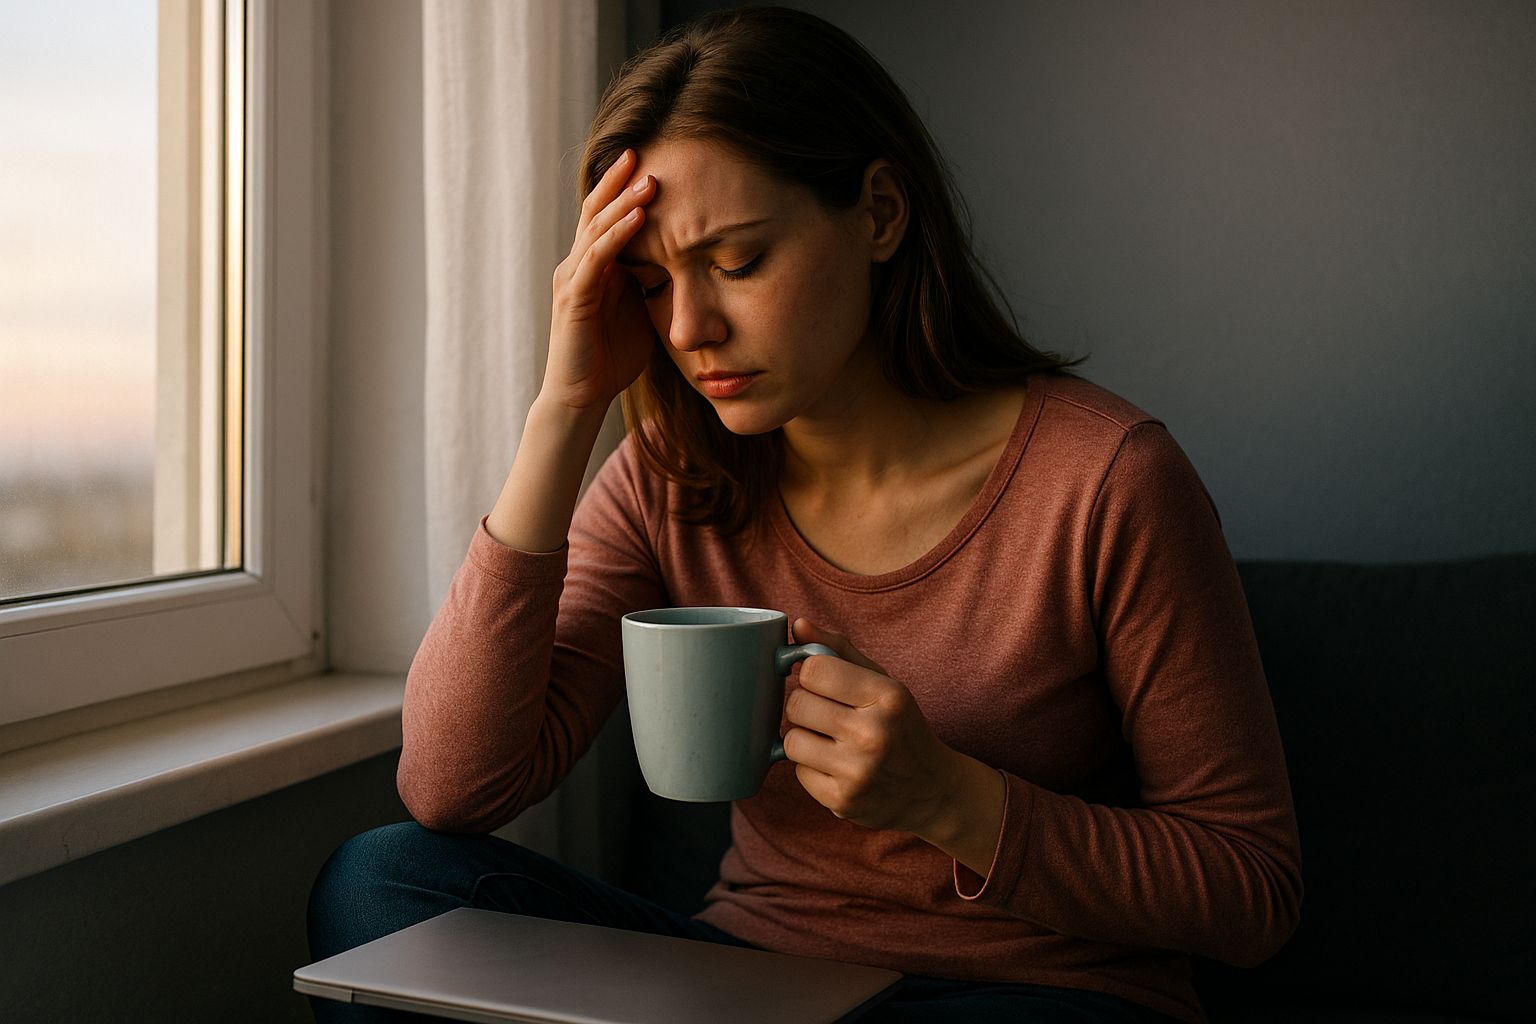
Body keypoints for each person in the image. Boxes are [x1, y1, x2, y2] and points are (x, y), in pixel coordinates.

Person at [308, 7, 1302, 1022]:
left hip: (1035, 994)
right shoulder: (673, 478)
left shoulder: (1106, 480)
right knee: (384, 886)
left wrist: (952, 800)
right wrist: (564, 410)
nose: (689, 328)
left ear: (879, 213)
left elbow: (1253, 891)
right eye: (650, 284)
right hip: (755, 980)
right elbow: (452, 788)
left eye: (737, 262)